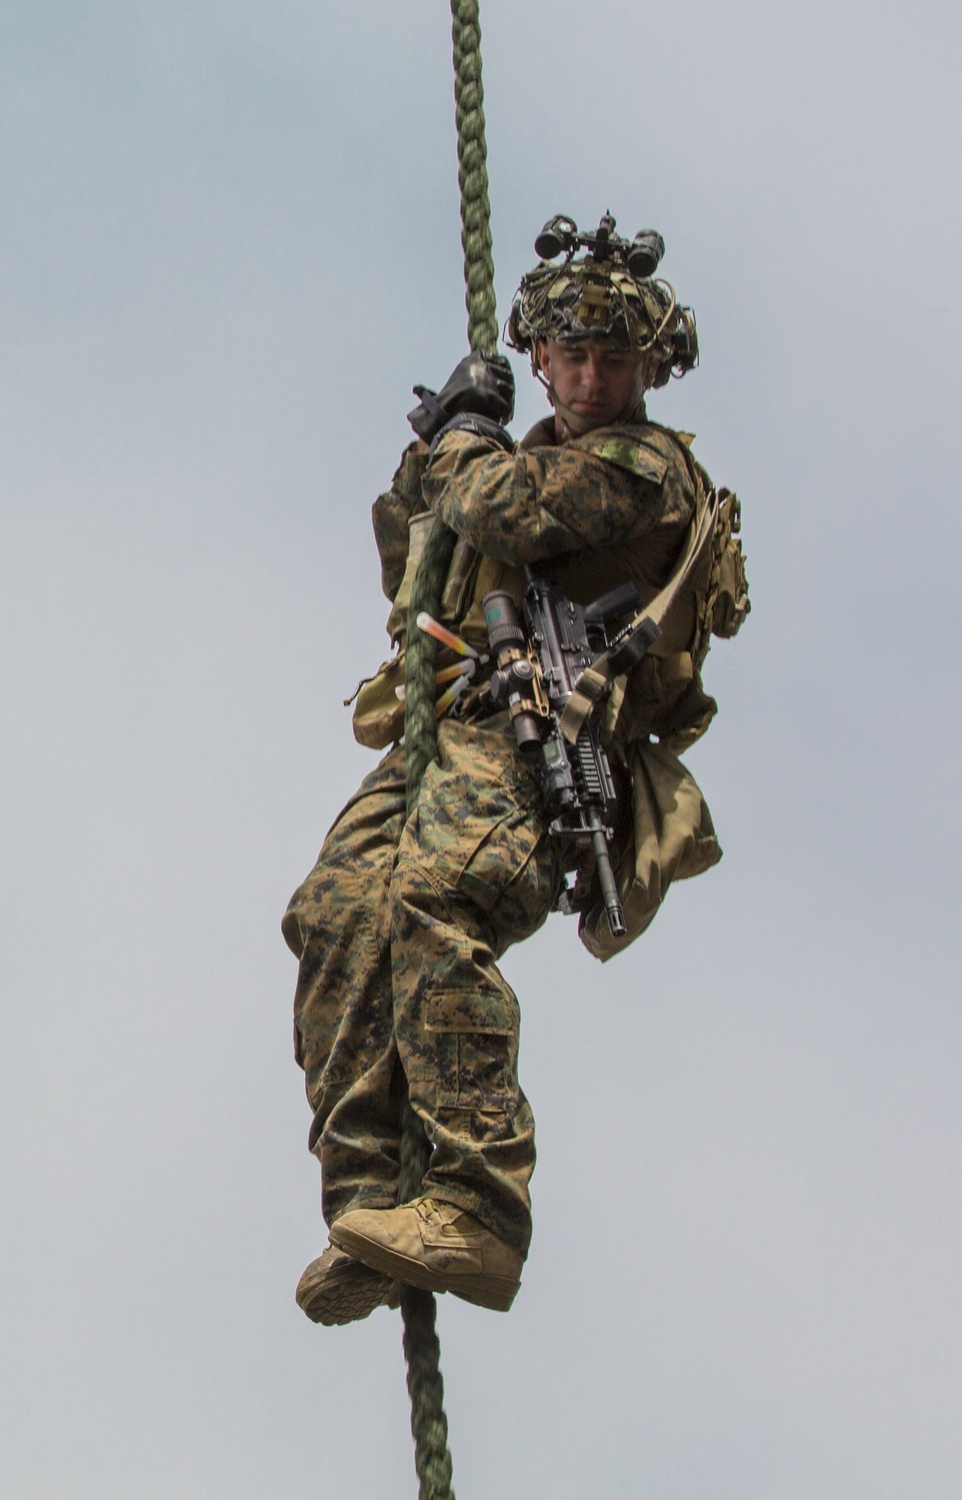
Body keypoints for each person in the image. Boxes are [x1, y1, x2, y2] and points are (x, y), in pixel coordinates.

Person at [282, 214, 749, 1326]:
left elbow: (506, 510)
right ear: (538, 356)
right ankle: (368, 1196)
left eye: (614, 359)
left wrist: (463, 444)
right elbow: (420, 558)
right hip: (449, 716)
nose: (590, 377)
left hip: (542, 739)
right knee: (337, 909)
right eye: (571, 355)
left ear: (650, 368)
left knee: (437, 905)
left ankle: (475, 1207)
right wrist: (438, 443)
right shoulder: (511, 446)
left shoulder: (647, 469)